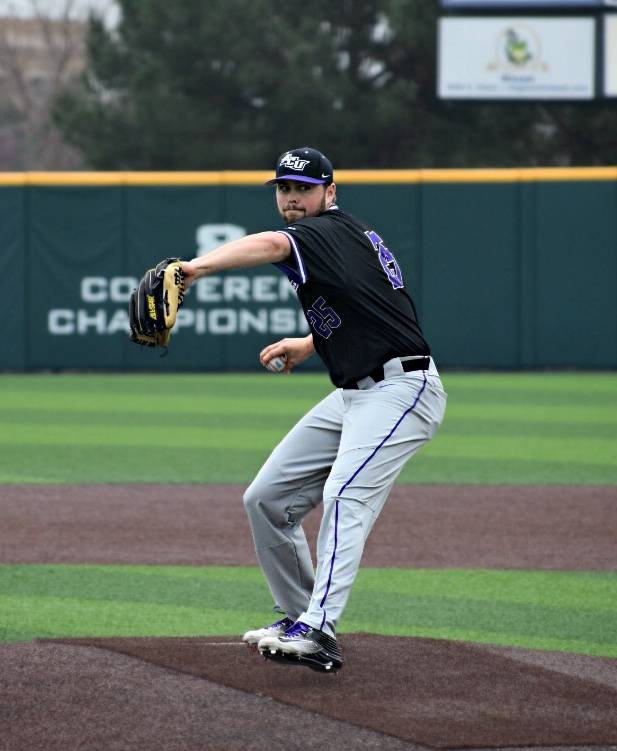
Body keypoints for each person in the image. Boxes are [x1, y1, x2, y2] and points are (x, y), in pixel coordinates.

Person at [181, 146, 447, 673]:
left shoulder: (322, 232)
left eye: (303, 188)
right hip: (357, 392)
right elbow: (367, 304)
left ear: (330, 191)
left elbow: (272, 243)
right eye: (284, 189)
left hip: (403, 389)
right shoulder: (342, 237)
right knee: (266, 499)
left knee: (344, 494)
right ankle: (298, 613)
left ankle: (319, 629)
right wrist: (309, 344)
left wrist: (194, 268)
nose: (292, 199)